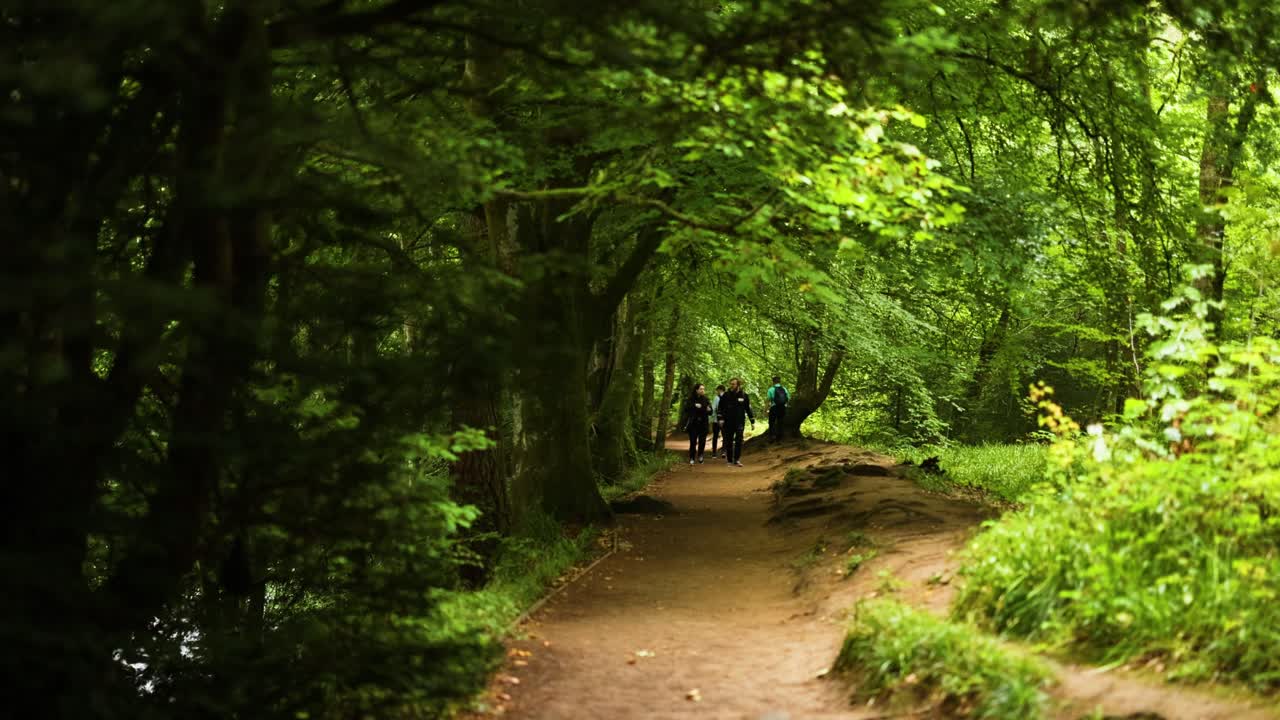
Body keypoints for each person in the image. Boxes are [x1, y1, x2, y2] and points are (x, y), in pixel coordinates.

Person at [717, 377, 754, 467]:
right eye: (731, 384)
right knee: (729, 441)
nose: (731, 385)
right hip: (728, 422)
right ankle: (729, 460)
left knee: (739, 441)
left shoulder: (744, 395)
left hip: (740, 422)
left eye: (733, 384)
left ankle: (736, 459)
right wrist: (720, 419)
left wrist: (752, 421)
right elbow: (720, 408)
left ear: (738, 385)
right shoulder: (726, 395)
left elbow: (748, 409)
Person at [684, 384, 713, 464]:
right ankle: (692, 457)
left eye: (703, 389)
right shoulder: (691, 399)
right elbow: (686, 409)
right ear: (696, 390)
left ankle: (700, 456)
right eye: (701, 389)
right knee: (693, 441)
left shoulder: (706, 399)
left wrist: (709, 409)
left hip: (703, 423)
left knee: (702, 441)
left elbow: (711, 412)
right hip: (693, 423)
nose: (702, 390)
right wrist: (694, 405)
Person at [766, 375, 789, 442]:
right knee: (780, 422)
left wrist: (766, 409)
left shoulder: (771, 389)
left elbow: (768, 400)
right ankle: (780, 438)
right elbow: (788, 398)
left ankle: (772, 437)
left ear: (773, 381)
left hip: (774, 407)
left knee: (771, 422)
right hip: (782, 407)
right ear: (779, 381)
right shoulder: (784, 389)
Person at [710, 384, 726, 458]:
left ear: (720, 390)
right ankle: (723, 452)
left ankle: (714, 453)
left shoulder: (716, 398)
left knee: (715, 436)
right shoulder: (727, 397)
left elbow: (713, 409)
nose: (717, 391)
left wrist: (711, 419)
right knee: (724, 436)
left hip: (716, 420)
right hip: (724, 420)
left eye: (718, 390)